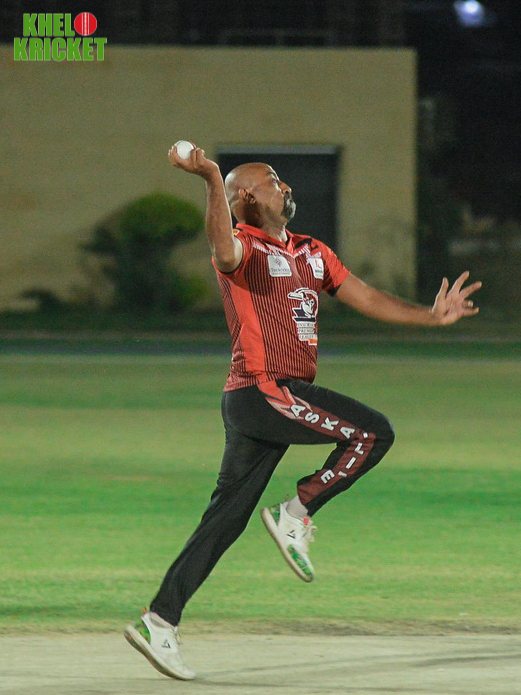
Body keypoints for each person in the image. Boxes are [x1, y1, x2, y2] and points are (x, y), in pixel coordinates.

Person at [124, 143, 481, 680]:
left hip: (270, 399)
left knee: (225, 521)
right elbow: (221, 248)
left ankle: (159, 621)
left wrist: (431, 317)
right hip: (263, 391)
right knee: (372, 434)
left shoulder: (311, 251)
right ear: (247, 197)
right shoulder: (242, 246)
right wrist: (211, 177)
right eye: (272, 180)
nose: (285, 186)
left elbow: (366, 296)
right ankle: (296, 512)